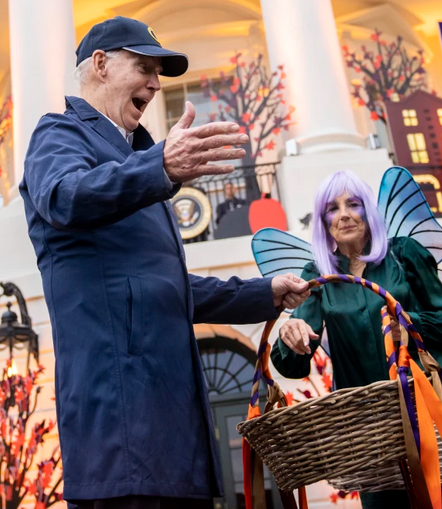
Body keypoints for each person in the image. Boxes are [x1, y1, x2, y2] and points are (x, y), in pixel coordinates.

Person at [19, 16, 310, 509]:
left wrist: (265, 293)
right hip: (120, 432)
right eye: (144, 66)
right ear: (100, 64)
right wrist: (161, 166)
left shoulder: (140, 155)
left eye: (159, 72)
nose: (155, 83)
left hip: (174, 437)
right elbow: (64, 196)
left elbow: (167, 287)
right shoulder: (59, 134)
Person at [270, 171, 442, 509]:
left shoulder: (405, 254)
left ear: (369, 212)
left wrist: (410, 324)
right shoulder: (318, 274)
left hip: (429, 412)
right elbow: (294, 362)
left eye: (354, 204)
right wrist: (290, 337)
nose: (344, 214)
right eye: (332, 208)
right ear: (323, 221)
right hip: (368, 428)